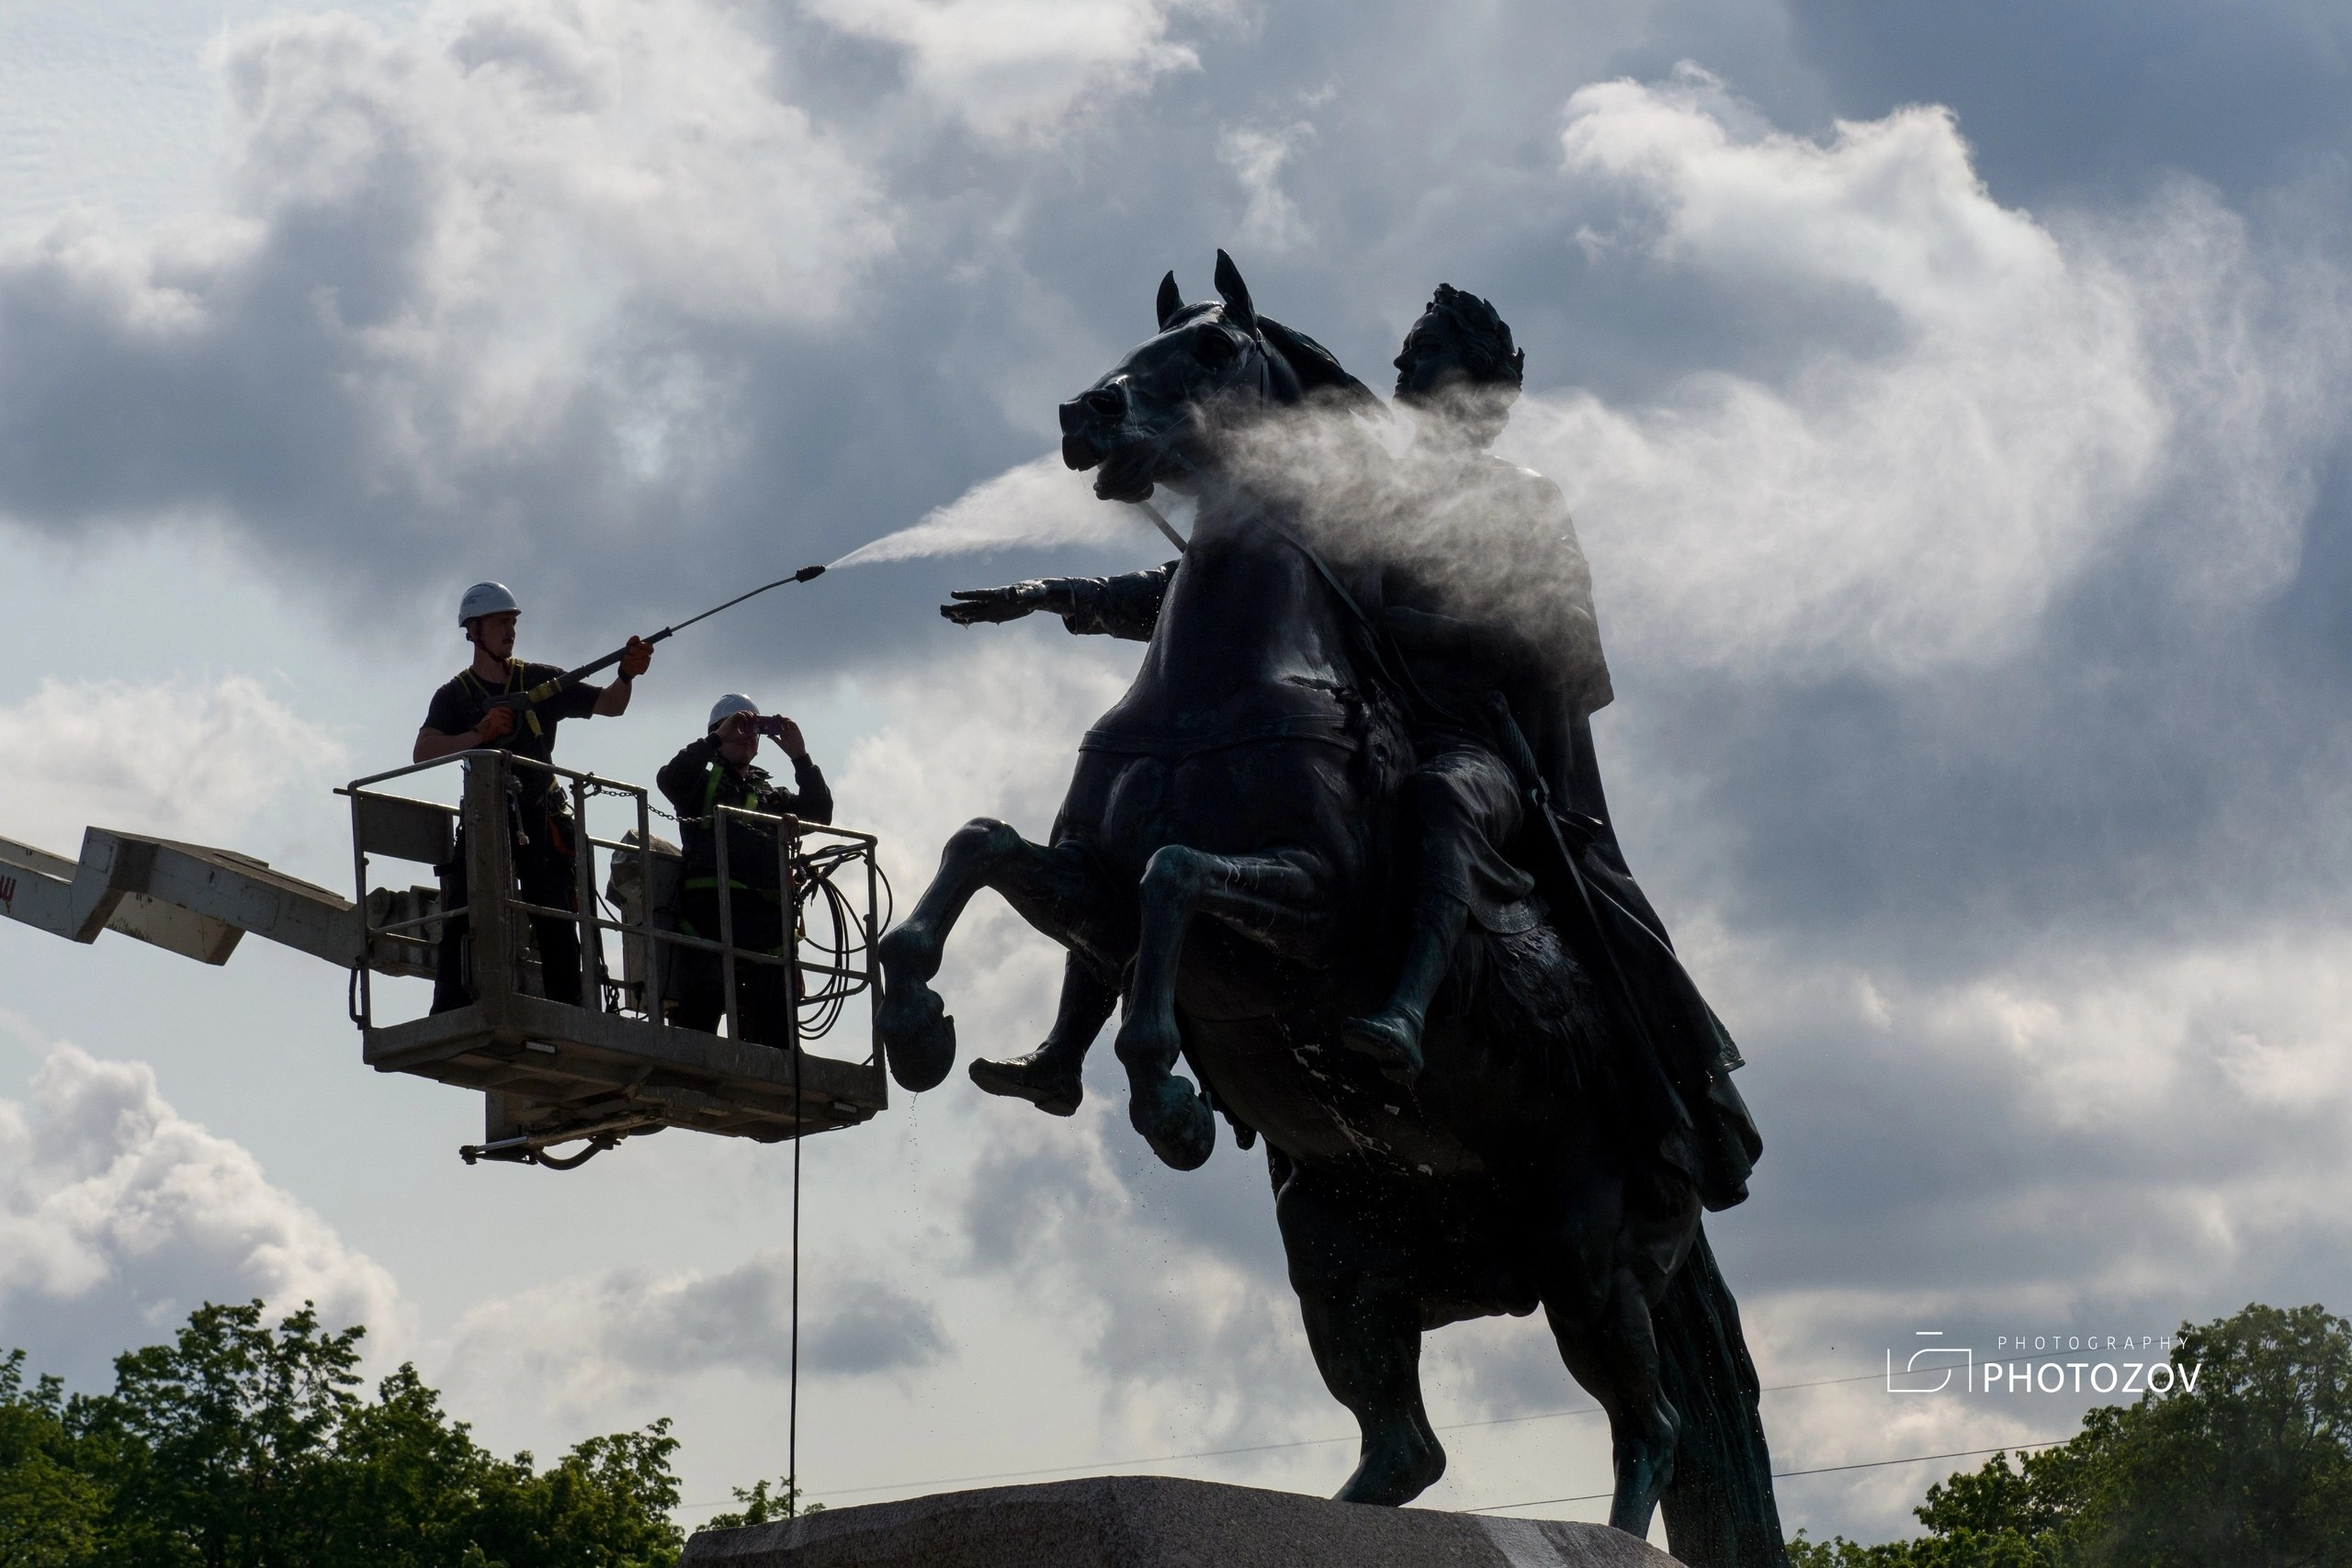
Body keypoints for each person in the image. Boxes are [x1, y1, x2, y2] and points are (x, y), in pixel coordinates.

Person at [415, 581, 652, 1012]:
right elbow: (423, 751)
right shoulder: (455, 696)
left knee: (557, 917)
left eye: (512, 623)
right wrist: (478, 735)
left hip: (541, 817)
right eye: (501, 622)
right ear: (474, 630)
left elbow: (610, 704)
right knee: (464, 911)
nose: (510, 631)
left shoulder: (541, 681)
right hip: (488, 817)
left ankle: (572, 1010)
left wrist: (626, 673)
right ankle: (450, 1004)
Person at [656, 695, 833, 1044]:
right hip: (712, 921)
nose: (747, 735)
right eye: (738, 727)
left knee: (775, 1032)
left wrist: (800, 757)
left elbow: (819, 814)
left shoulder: (771, 796)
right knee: (701, 1018)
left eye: (754, 730)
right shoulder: (700, 786)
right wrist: (714, 740)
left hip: (765, 931)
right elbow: (669, 779)